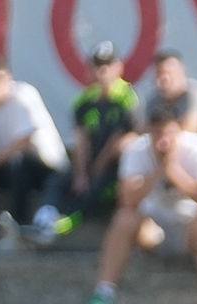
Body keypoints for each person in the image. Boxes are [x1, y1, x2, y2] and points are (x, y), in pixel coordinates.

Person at [78, 101, 197, 304]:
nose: (163, 141)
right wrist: (159, 171)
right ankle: (103, 295)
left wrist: (175, 173)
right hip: (155, 229)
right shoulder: (137, 150)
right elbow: (127, 198)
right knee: (123, 219)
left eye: (169, 134)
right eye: (157, 134)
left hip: (191, 228)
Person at [0, 56, 70, 237]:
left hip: (47, 167)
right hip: (9, 165)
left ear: (9, 79)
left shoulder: (24, 95)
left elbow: (23, 144)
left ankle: (22, 222)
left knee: (17, 164)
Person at [65, 41, 145, 231]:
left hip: (114, 165)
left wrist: (97, 168)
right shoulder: (84, 100)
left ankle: (65, 226)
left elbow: (120, 138)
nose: (103, 71)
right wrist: (82, 173)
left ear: (118, 68)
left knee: (97, 187)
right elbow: (80, 138)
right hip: (92, 159)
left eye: (107, 65)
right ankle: (43, 217)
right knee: (59, 180)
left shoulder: (127, 97)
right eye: (98, 66)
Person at [147, 49, 197, 134]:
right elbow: (145, 133)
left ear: (183, 73)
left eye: (170, 73)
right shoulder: (153, 102)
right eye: (159, 74)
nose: (164, 79)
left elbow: (193, 128)